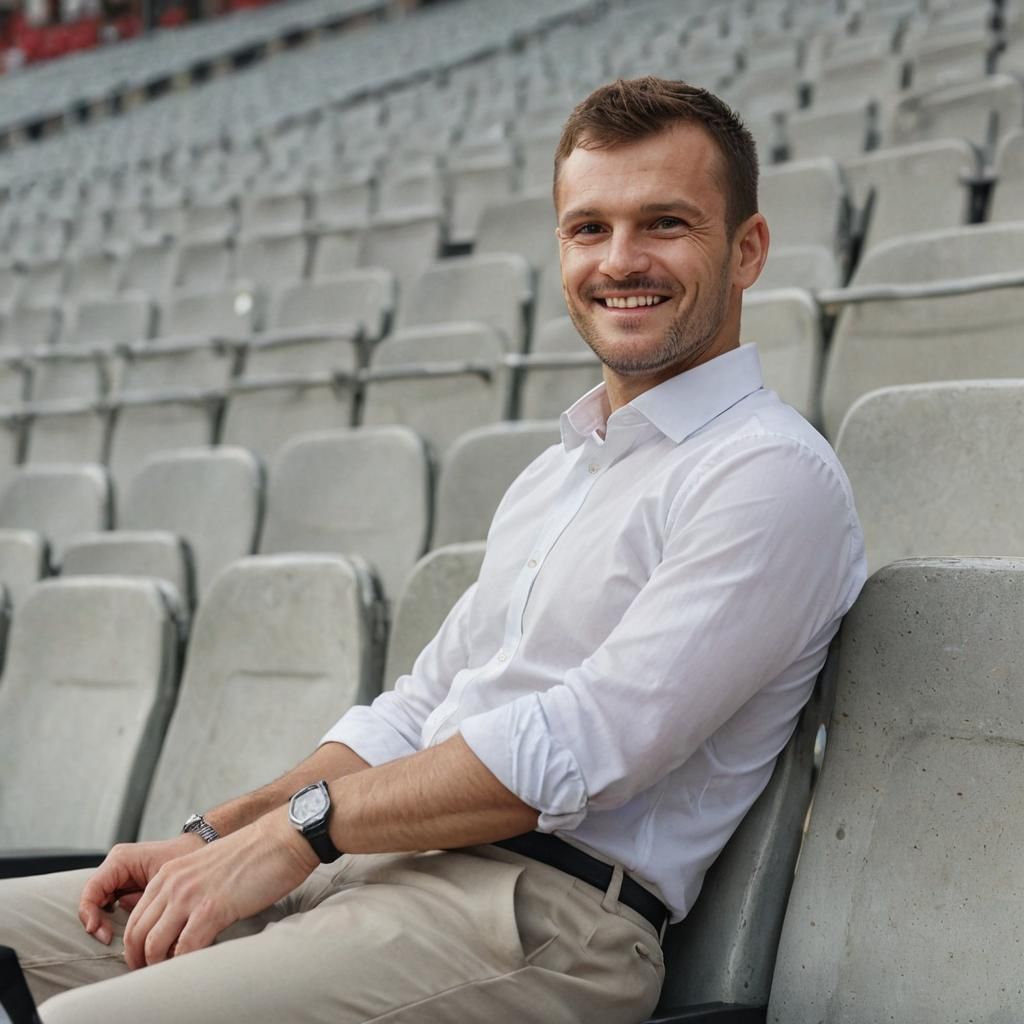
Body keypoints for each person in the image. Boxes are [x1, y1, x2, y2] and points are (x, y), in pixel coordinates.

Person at [0, 76, 866, 1024]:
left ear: (747, 250)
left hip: (538, 922)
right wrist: (218, 835)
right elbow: (413, 712)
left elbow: (584, 745)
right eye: (588, 229)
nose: (621, 260)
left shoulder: (771, 474)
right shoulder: (556, 474)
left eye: (664, 224)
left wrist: (302, 833)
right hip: (370, 870)